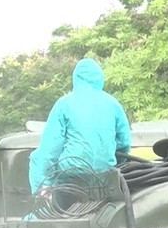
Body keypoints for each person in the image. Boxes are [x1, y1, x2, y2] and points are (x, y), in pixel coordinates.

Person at [28, 58, 131, 194]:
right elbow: (124, 143)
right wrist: (111, 162)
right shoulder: (114, 104)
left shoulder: (64, 103)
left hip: (71, 174)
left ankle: (44, 202)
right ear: (100, 78)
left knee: (36, 159)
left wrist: (45, 182)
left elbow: (50, 149)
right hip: (104, 174)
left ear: (76, 78)